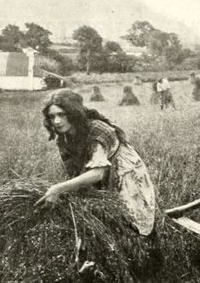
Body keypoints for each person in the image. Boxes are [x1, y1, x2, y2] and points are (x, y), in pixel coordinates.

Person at [37, 89, 156, 238]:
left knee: (130, 226)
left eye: (62, 114)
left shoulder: (97, 130)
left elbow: (98, 172)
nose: (57, 121)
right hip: (102, 174)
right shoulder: (65, 137)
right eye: (52, 116)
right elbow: (76, 170)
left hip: (125, 174)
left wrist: (58, 188)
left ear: (73, 113)